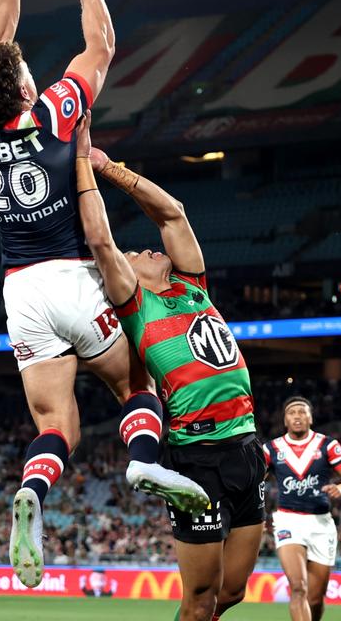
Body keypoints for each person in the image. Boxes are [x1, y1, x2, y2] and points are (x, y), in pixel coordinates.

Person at [0, 0, 206, 587]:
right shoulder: (55, 111)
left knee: (55, 420)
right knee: (136, 380)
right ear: (26, 87)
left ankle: (33, 495)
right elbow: (100, 47)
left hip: (19, 291)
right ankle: (146, 457)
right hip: (73, 274)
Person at [74, 111, 265, 621]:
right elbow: (100, 241)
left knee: (231, 595)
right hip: (197, 458)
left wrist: (109, 166)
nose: (145, 248)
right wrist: (79, 164)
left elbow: (173, 215)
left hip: (247, 447)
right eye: (135, 252)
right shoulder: (136, 304)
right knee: (199, 602)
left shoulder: (191, 286)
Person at [264, 396, 341, 621]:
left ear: (311, 417)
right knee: (298, 588)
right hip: (288, 521)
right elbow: (255, 483)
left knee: (315, 599)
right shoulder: (272, 448)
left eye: (302, 412)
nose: (297, 416)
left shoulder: (328, 445)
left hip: (321, 524)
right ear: (285, 420)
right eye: (292, 412)